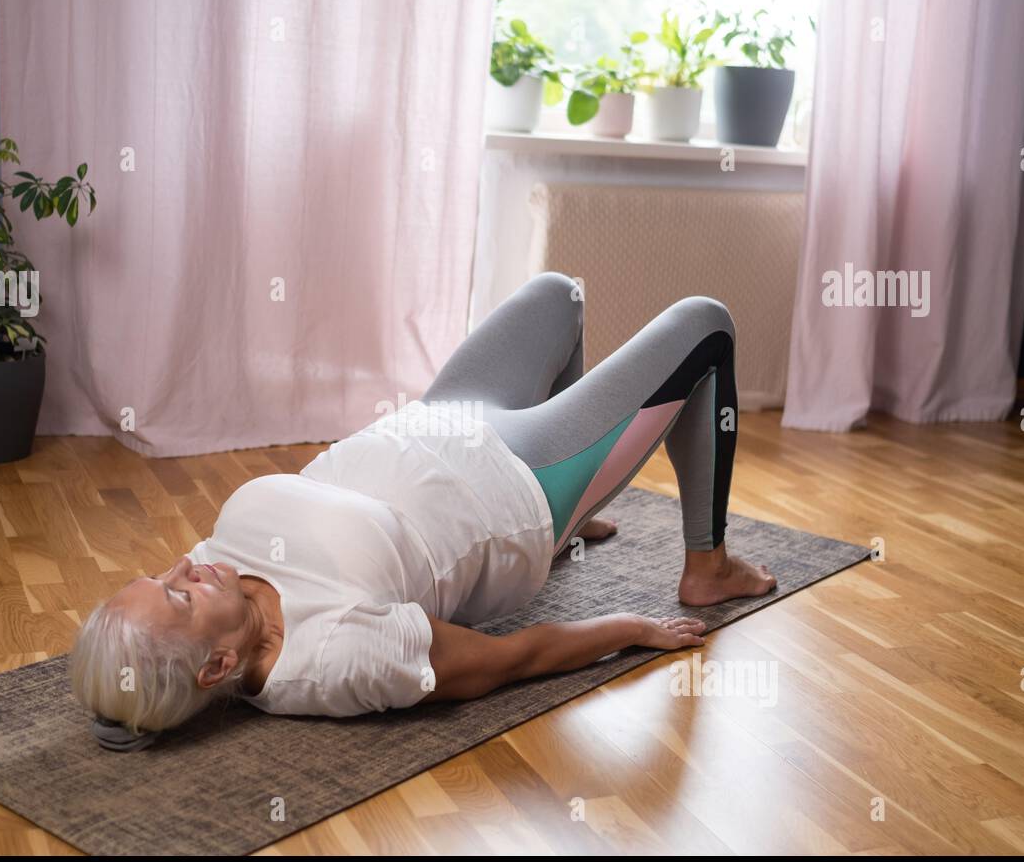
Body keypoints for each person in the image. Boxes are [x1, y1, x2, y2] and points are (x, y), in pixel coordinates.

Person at [72, 273, 775, 749]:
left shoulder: (217, 581)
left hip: (439, 417)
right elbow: (505, 661)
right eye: (178, 594)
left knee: (560, 295)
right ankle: (704, 563)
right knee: (706, 326)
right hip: (521, 480)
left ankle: (583, 525)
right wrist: (627, 628)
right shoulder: (338, 657)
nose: (186, 565)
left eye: (160, 573)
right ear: (218, 667)